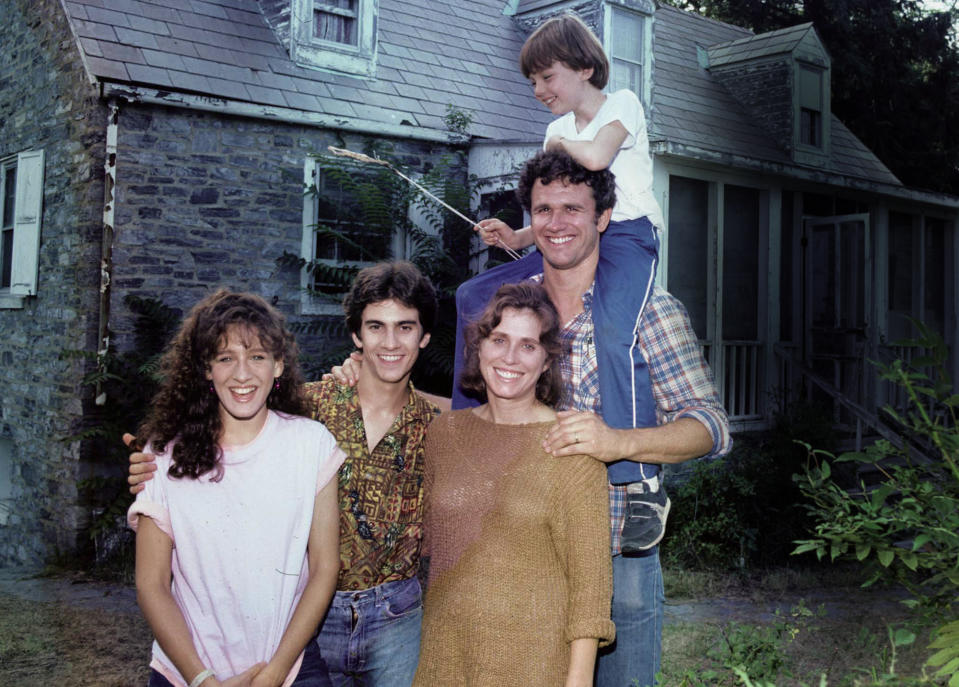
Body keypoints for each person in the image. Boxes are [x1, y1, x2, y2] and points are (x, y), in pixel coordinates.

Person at [128, 263, 443, 687]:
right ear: (356, 335)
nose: (389, 342)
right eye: (375, 327)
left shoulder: (440, 423)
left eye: (404, 328)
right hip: (307, 618)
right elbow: (227, 443)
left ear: (423, 337)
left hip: (393, 615)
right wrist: (146, 466)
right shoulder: (311, 407)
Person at [458, 11, 667, 554]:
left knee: (613, 329)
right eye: (532, 81)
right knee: (474, 295)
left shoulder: (621, 105)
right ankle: (472, 436)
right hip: (568, 237)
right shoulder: (555, 130)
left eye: (546, 77)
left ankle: (643, 481)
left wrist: (548, 152)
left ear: (582, 66)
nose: (538, 90)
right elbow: (557, 209)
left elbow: (597, 157)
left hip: (626, 238)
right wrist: (518, 235)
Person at [128, 290, 343, 687]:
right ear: (206, 368)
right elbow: (151, 583)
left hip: (289, 665)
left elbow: (325, 567)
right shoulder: (161, 456)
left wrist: (276, 673)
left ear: (278, 365)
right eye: (226, 358)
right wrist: (202, 680)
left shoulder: (311, 445)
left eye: (257, 356)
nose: (242, 374)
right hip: (185, 671)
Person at [413, 282, 614, 687]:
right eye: (499, 339)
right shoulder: (443, 434)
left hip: (535, 666)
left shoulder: (571, 446)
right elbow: (426, 549)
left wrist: (578, 681)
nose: (510, 357)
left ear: (545, 361)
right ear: (479, 348)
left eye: (528, 345)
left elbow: (590, 588)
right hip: (445, 659)